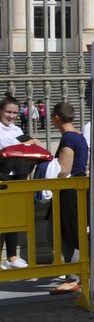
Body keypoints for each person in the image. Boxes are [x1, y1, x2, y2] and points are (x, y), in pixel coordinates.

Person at [46, 102, 89, 295]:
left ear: (56, 118)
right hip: (80, 188)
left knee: (68, 233)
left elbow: (64, 170)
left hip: (69, 190)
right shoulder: (79, 136)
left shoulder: (68, 139)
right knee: (75, 230)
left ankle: (72, 278)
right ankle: (77, 274)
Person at [0, 95, 29, 268]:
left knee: (14, 218)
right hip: (2, 176)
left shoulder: (17, 130)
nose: (11, 116)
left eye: (15, 113)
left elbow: (28, 144)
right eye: (8, 112)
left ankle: (12, 256)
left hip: (16, 177)